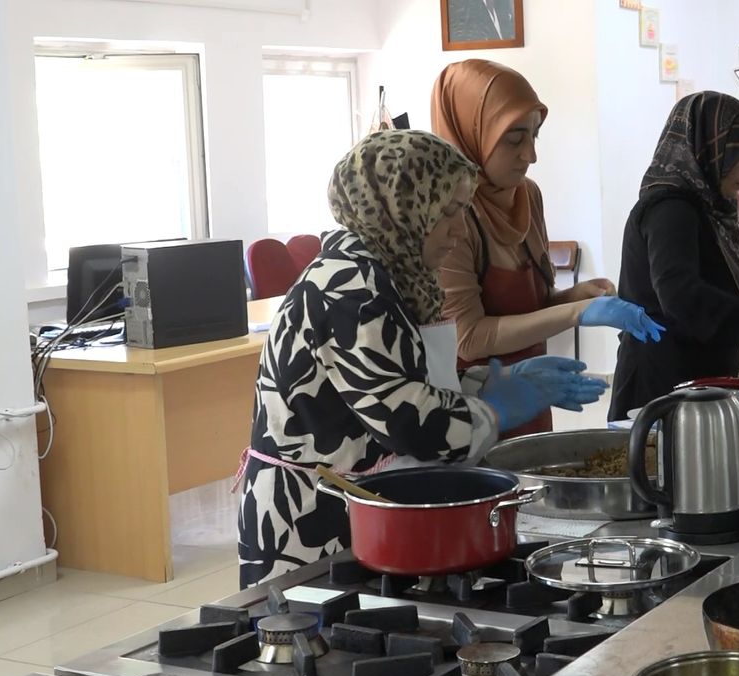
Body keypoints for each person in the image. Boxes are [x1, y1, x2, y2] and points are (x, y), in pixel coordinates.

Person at [236, 130, 607, 587]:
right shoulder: (350, 286)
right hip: (310, 521)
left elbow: (405, 378)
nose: (459, 228)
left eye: (463, 211)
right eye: (447, 211)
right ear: (401, 207)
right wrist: (493, 411)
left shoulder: (392, 273)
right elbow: (408, 421)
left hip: (355, 503)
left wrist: (486, 383)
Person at [432, 59, 662, 436]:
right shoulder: (450, 217)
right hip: (479, 413)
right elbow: (469, 339)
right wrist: (575, 312)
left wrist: (573, 297)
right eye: (514, 138)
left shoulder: (527, 196)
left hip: (534, 400)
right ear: (472, 131)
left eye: (535, 136)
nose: (531, 155)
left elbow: (527, 308)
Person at [608, 91, 739, 421]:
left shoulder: (706, 207)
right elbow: (681, 294)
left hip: (696, 378)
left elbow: (709, 284)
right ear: (711, 149)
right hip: (661, 381)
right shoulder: (670, 209)